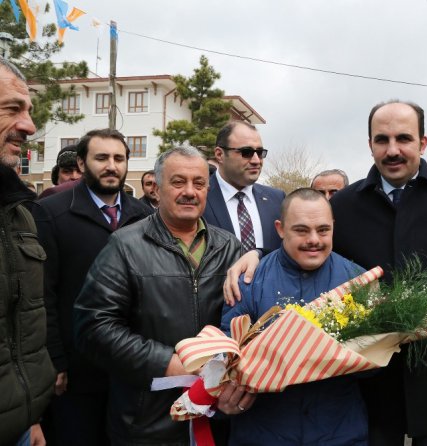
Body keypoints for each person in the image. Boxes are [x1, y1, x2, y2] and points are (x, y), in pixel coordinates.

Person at [223, 100, 427, 446]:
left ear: (423, 142)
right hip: (367, 393)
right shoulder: (345, 205)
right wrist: (255, 254)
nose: (393, 150)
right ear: (370, 144)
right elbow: (307, 244)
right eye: (382, 140)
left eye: (404, 138)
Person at [73, 146, 241, 445]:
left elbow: (247, 322)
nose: (190, 192)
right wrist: (170, 364)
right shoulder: (125, 246)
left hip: (217, 414)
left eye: (199, 184)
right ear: (158, 186)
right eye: (178, 182)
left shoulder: (230, 247)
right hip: (147, 421)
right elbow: (94, 327)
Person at [218, 188, 367, 445]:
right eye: (301, 230)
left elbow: (374, 364)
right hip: (262, 433)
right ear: (280, 229)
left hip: (339, 432)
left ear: (333, 227)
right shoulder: (249, 280)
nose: (314, 240)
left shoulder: (358, 280)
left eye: (323, 230)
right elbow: (227, 351)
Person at [33, 129, 152, 445]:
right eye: (101, 158)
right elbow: (44, 293)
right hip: (77, 371)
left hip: (132, 366)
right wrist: (55, 360)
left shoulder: (145, 216)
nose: (111, 166)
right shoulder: (52, 213)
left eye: (118, 158)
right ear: (83, 164)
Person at [0, 58, 54, 446]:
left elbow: (22, 327)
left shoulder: (20, 214)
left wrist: (28, 417)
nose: (29, 127)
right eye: (12, 109)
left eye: (29, 111)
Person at [204, 121, 284, 254]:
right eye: (246, 152)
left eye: (259, 152)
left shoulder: (277, 199)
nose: (256, 160)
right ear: (220, 154)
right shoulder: (199, 197)